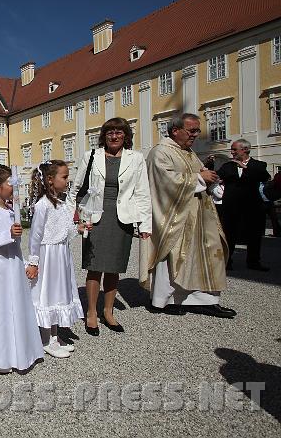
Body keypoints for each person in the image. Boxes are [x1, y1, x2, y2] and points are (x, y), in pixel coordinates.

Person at [141, 113, 236, 319]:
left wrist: (208, 180)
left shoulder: (188, 152)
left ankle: (205, 300)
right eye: (191, 131)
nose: (195, 135)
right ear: (175, 131)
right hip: (174, 216)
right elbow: (164, 181)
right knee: (172, 255)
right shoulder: (161, 152)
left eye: (197, 131)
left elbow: (197, 176)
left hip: (199, 215)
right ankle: (164, 300)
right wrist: (199, 178)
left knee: (204, 256)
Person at [69, 117, 152, 335]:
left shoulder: (136, 159)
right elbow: (77, 187)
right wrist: (72, 216)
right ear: (104, 136)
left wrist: (145, 223)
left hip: (122, 217)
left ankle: (108, 311)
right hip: (95, 215)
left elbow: (142, 192)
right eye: (110, 132)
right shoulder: (91, 156)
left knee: (114, 267)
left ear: (126, 136)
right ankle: (91, 313)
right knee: (94, 266)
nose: (114, 136)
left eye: (119, 132)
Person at [0, 164, 44, 374]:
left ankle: (22, 351)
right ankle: (1, 356)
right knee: (1, 306)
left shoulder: (11, 209)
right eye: (10, 184)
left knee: (17, 303)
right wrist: (8, 235)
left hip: (13, 262)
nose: (14, 187)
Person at [26, 160, 84, 358]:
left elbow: (63, 230)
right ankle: (45, 338)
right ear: (50, 180)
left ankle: (54, 336)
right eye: (65, 177)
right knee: (47, 293)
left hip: (60, 255)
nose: (68, 180)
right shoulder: (43, 205)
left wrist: (79, 229)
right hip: (48, 256)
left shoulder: (60, 203)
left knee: (59, 292)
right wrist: (34, 262)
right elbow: (35, 235)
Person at [218, 139, 271, 271]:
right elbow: (217, 176)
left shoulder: (258, 165)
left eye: (234, 149)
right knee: (229, 235)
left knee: (254, 235)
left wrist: (245, 168)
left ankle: (253, 262)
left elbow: (265, 177)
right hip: (231, 207)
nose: (232, 152)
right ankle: (227, 262)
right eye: (232, 149)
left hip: (252, 206)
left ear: (245, 150)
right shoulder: (228, 166)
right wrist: (208, 166)